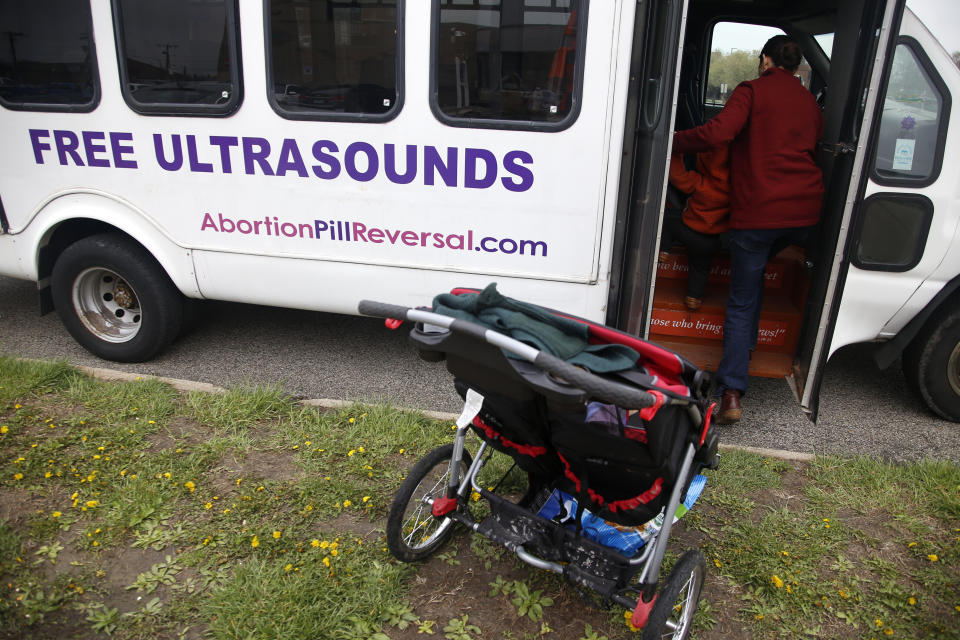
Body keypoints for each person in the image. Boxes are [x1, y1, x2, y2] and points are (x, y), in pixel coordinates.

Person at [672, 35, 824, 424]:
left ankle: (731, 393)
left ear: (764, 60)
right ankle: (752, 337)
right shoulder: (809, 101)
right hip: (805, 213)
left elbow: (717, 133)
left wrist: (669, 141)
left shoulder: (751, 91)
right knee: (756, 278)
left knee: (743, 298)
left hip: (760, 212)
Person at [663, 145, 731, 311]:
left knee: (666, 220)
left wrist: (676, 151)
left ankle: (663, 250)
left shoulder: (701, 183)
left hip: (687, 230)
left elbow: (677, 176)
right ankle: (694, 297)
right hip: (710, 241)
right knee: (700, 269)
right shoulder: (735, 190)